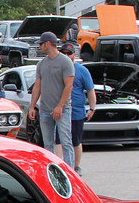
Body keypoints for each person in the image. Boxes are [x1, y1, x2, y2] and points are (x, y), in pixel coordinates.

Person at [28, 31, 75, 169]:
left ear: (48, 43)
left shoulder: (65, 62)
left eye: (41, 44)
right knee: (48, 143)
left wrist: (60, 106)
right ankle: (52, 170)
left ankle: (70, 171)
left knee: (66, 142)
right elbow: (37, 86)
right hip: (45, 109)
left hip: (62, 109)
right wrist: (32, 106)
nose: (40, 47)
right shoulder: (42, 64)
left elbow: (69, 85)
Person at [58, 44, 96, 174]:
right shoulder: (57, 69)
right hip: (59, 110)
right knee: (58, 139)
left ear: (75, 55)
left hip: (77, 111)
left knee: (76, 140)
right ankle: (59, 166)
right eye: (64, 53)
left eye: (69, 53)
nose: (67, 56)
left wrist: (92, 108)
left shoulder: (82, 71)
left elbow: (90, 91)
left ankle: (76, 166)